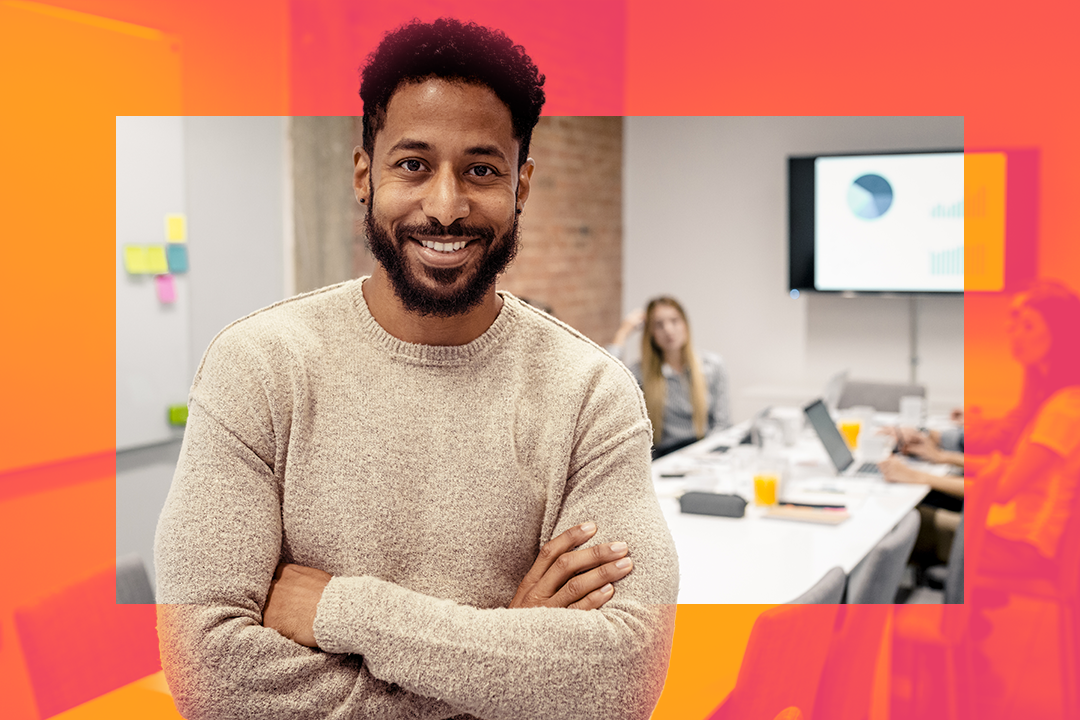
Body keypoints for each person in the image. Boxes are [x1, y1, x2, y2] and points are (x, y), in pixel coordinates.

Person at [154, 18, 678, 720]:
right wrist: (507, 656)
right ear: (365, 175)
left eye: (481, 170)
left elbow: (617, 684)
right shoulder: (257, 368)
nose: (445, 205)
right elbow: (211, 675)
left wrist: (344, 610)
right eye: (413, 164)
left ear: (521, 185)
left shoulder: (591, 395)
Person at [968, 280, 1080, 579]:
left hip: (1024, 550)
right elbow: (1012, 466)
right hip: (1018, 537)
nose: (1015, 334)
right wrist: (940, 462)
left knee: (914, 524)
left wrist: (922, 478)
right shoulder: (1055, 398)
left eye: (1028, 327)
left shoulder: (1063, 410)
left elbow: (1002, 490)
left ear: (1061, 336)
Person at [609, 296, 730, 456]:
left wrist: (707, 455)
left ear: (685, 325)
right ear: (651, 333)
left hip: (705, 454)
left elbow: (722, 424)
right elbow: (608, 381)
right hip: (664, 458)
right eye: (659, 325)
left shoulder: (712, 365)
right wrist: (623, 332)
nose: (668, 330)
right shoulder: (640, 373)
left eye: (674, 321)